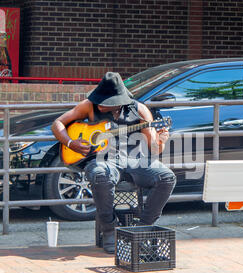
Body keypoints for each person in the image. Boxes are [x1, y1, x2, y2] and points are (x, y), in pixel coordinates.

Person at [51, 72, 176, 254]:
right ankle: (109, 229)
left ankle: (142, 229)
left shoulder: (139, 110)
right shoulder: (89, 106)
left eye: (107, 102)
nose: (101, 104)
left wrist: (162, 140)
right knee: (99, 173)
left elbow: (154, 149)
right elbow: (58, 124)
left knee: (167, 177)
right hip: (103, 160)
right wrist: (71, 143)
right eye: (100, 100)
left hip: (135, 160)